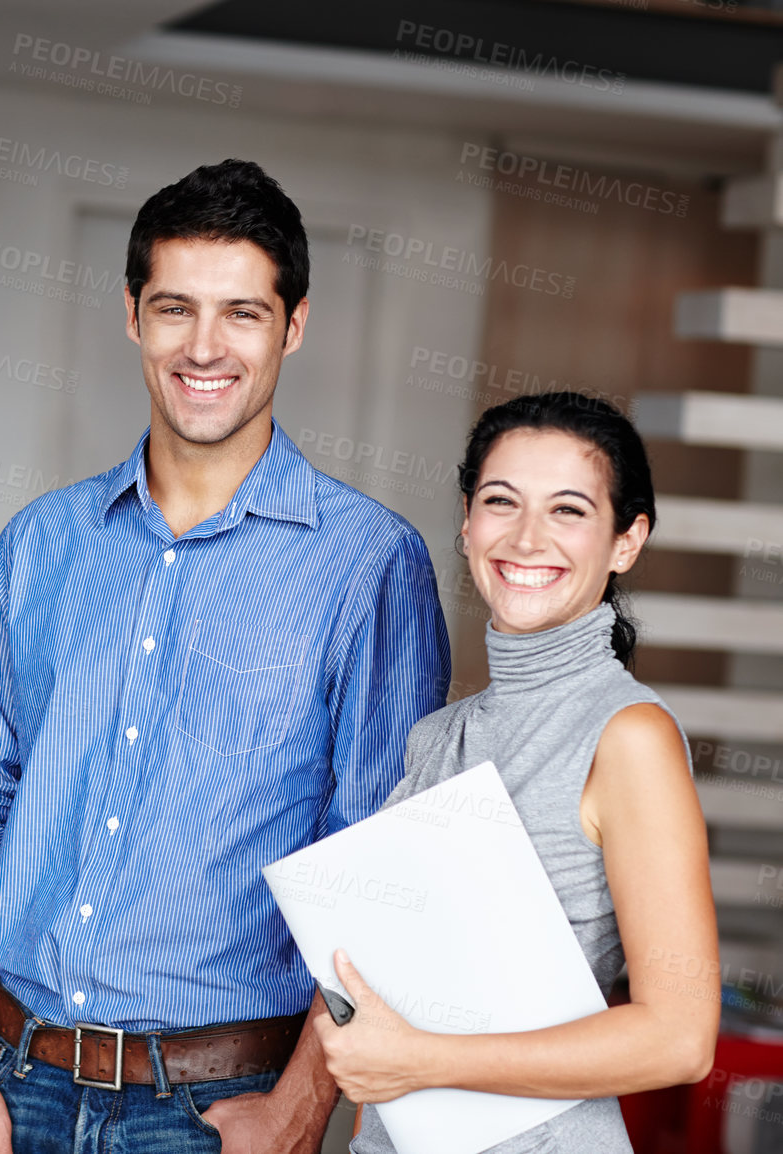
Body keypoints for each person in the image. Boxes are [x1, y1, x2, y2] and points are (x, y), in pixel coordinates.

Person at [0, 158, 452, 1154]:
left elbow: (375, 860)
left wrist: (302, 1106)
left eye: (242, 313)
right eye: (174, 308)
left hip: (213, 1109)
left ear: (292, 325)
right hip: (9, 1080)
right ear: (132, 315)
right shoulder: (41, 543)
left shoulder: (369, 565)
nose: (204, 346)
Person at [318, 392, 718, 1152]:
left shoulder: (629, 737)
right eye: (502, 502)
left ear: (627, 541)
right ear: (468, 522)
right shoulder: (436, 739)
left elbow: (680, 1038)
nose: (528, 538)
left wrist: (420, 1061)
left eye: (568, 510)